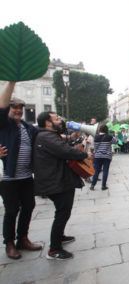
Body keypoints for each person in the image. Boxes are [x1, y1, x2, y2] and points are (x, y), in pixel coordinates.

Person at [34, 111, 88, 260]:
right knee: (62, 213)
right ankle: (54, 249)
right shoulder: (46, 136)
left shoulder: (47, 136)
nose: (60, 121)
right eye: (57, 119)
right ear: (47, 123)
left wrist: (71, 139)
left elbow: (62, 147)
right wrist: (83, 154)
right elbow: (66, 151)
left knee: (63, 211)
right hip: (55, 182)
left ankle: (60, 237)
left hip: (57, 180)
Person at [0, 82, 42, 260]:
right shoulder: (4, 125)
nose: (17, 110)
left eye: (20, 108)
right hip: (8, 178)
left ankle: (22, 238)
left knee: (29, 206)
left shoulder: (27, 128)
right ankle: (9, 243)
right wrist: (11, 82)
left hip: (26, 176)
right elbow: (1, 106)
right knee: (11, 210)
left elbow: (44, 135)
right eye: (14, 107)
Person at [90, 125, 116, 191]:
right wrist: (113, 135)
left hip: (98, 156)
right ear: (106, 130)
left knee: (96, 171)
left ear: (99, 130)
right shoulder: (109, 137)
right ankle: (103, 186)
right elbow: (116, 141)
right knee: (105, 170)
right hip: (107, 156)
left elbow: (94, 147)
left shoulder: (96, 137)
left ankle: (92, 185)